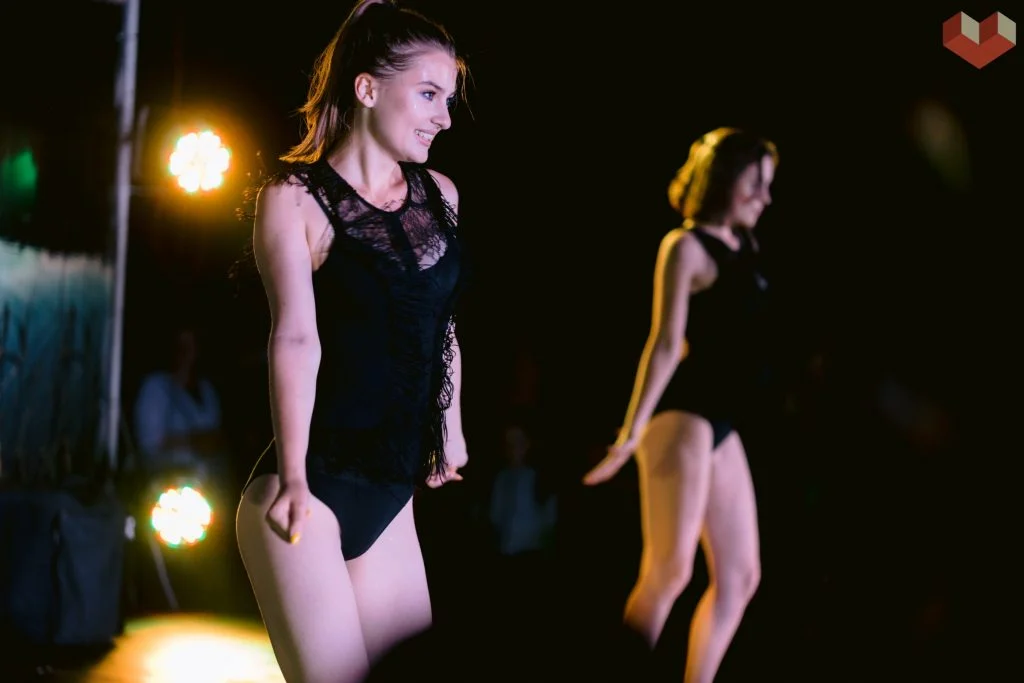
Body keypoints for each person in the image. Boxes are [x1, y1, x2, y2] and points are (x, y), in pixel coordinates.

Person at [233, 2, 469, 681]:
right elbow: (295, 337)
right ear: (367, 89)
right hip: (307, 486)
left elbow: (443, 324)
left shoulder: (441, 196)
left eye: (448, 99)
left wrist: (449, 429)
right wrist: (296, 477)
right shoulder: (294, 197)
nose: (444, 118)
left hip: (390, 491)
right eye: (428, 94)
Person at [583, 127, 779, 683]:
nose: (765, 197)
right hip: (683, 416)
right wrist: (630, 434)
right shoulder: (685, 246)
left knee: (741, 576)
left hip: (722, 422)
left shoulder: (746, 246)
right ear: (726, 180)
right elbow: (666, 343)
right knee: (669, 572)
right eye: (756, 183)